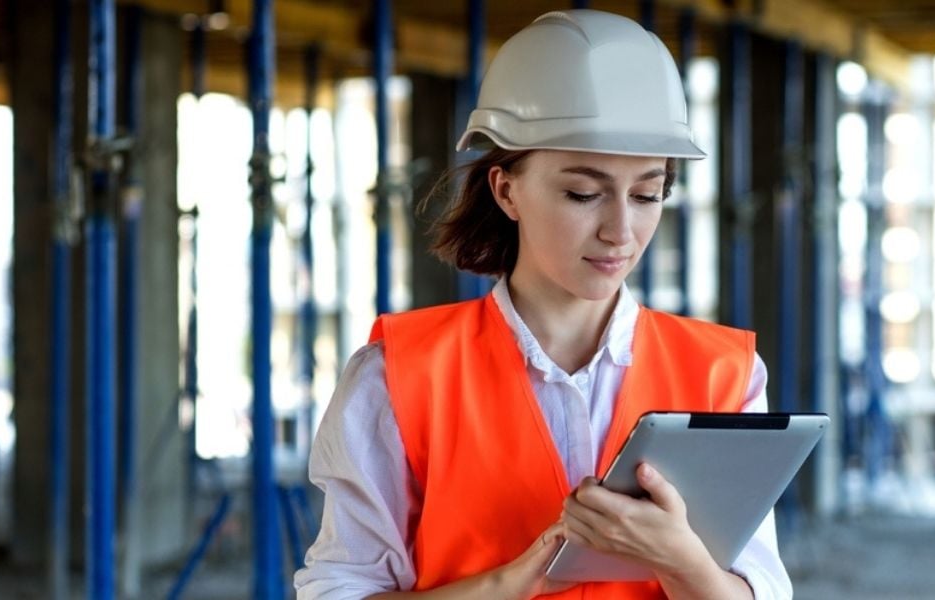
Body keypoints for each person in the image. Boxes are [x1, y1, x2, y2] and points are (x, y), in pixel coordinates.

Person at [294, 9, 792, 599]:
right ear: (506, 190)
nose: (621, 231)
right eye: (583, 193)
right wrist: (506, 584)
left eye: (647, 194)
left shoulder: (724, 376)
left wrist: (681, 560)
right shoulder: (399, 376)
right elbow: (338, 590)